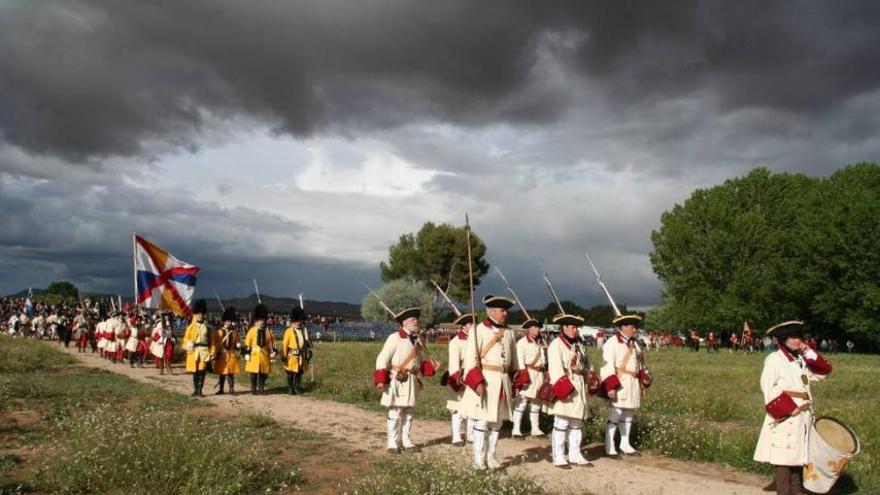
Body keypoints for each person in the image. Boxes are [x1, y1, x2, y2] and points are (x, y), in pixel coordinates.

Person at [754, 321, 832, 495]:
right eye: (793, 337)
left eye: (799, 337)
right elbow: (768, 388)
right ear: (783, 339)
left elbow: (824, 371)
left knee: (799, 456)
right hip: (786, 416)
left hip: (803, 415)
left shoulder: (800, 360)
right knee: (784, 457)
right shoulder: (774, 359)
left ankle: (796, 491)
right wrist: (789, 409)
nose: (798, 341)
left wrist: (808, 351)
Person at [459, 295, 518, 470]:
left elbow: (514, 361)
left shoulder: (509, 332)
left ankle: (491, 458)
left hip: (503, 382)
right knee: (482, 422)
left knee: (497, 422)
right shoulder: (478, 331)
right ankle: (479, 460)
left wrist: (516, 383)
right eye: (502, 310)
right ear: (492, 311)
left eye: (506, 310)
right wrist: (478, 383)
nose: (506, 313)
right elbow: (470, 361)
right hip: (486, 381)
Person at [373, 307, 436, 454]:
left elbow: (418, 361)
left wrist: (430, 368)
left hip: (412, 380)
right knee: (395, 412)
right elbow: (382, 358)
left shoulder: (417, 340)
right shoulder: (394, 338)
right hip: (398, 379)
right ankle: (392, 443)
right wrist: (381, 379)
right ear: (404, 322)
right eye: (413, 320)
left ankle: (407, 441)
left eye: (416, 319)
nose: (416, 322)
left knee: (409, 412)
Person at [546, 313, 598, 469]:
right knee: (561, 423)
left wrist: (591, 378)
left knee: (576, 423)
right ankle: (559, 456)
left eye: (576, 327)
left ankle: (575, 454)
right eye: (572, 327)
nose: (575, 330)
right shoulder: (556, 344)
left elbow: (587, 365)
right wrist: (564, 391)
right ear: (564, 328)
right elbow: (555, 369)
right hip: (565, 384)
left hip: (579, 384)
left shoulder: (580, 345)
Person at [600, 314, 648, 458]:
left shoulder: (635, 343)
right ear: (623, 327)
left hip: (632, 383)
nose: (635, 329)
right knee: (615, 415)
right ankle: (610, 447)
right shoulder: (612, 343)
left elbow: (640, 363)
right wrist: (610, 387)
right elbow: (607, 366)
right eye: (632, 326)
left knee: (628, 415)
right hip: (619, 382)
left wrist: (643, 378)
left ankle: (625, 444)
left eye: (635, 327)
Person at [512, 318, 547, 439]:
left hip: (539, 375)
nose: (537, 329)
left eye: (538, 327)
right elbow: (520, 361)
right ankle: (516, 429)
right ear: (529, 329)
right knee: (522, 403)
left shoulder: (541, 342)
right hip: (528, 373)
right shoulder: (522, 342)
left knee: (536, 403)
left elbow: (544, 361)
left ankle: (535, 429)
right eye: (534, 327)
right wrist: (524, 377)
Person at [445, 313, 475, 446]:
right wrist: (457, 379)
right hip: (460, 377)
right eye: (470, 324)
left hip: (474, 377)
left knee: (473, 407)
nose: (474, 326)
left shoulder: (476, 339)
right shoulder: (455, 342)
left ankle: (471, 434)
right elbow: (453, 364)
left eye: (474, 323)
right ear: (464, 326)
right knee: (457, 408)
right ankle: (456, 436)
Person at [182, 300, 212, 397]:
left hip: (204, 350)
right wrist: (188, 344)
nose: (200, 316)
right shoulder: (191, 327)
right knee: (195, 371)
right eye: (198, 314)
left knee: (202, 370)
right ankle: (195, 390)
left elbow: (211, 341)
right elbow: (186, 338)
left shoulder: (207, 327)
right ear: (196, 315)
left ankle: (200, 390)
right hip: (194, 350)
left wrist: (212, 352)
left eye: (202, 314)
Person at [243, 303, 274, 395]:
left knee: (263, 373)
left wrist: (273, 352)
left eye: (263, 319)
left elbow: (271, 344)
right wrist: (247, 353)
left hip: (264, 356)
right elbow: (247, 343)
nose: (262, 322)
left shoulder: (268, 332)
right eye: (260, 320)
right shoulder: (252, 331)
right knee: (253, 373)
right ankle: (253, 389)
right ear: (256, 320)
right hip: (254, 355)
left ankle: (261, 388)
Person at [211, 307, 241, 395]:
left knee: (231, 373)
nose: (229, 323)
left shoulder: (235, 333)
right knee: (222, 372)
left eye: (230, 321)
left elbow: (237, 343)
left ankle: (231, 389)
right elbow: (215, 343)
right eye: (228, 321)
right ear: (224, 322)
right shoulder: (219, 332)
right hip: (222, 355)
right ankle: (221, 389)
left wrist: (238, 345)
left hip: (231, 354)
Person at [281, 307, 310, 395]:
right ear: (293, 321)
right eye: (297, 321)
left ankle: (296, 387)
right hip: (292, 356)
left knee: (299, 373)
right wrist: (284, 355)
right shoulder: (288, 331)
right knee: (290, 373)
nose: (298, 322)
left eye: (300, 320)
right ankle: (290, 388)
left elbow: (306, 343)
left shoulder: (303, 330)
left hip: (301, 356)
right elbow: (285, 345)